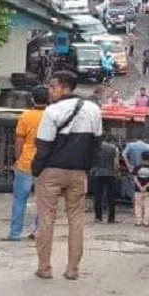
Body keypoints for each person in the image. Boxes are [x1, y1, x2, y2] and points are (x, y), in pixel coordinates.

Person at [32, 71, 103, 280]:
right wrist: (87, 169)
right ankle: (73, 269)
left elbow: (43, 146)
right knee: (76, 220)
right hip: (78, 173)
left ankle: (44, 268)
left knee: (46, 218)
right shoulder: (93, 109)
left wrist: (36, 171)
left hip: (51, 171)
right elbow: (96, 145)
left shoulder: (52, 111)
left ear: (65, 88)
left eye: (53, 86)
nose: (50, 91)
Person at [2, 85, 49, 242]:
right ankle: (37, 232)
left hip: (26, 163)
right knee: (43, 201)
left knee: (20, 199)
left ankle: (15, 234)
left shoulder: (25, 116)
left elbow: (19, 141)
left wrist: (17, 159)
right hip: (46, 164)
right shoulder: (52, 117)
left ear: (32, 99)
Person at [91, 141, 120, 224]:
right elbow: (116, 163)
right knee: (111, 196)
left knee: (98, 196)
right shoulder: (114, 148)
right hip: (110, 174)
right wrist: (116, 172)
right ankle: (111, 218)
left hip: (98, 173)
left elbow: (92, 161)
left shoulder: (95, 148)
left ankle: (98, 217)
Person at [133, 150, 149, 227]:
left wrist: (140, 186)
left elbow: (135, 178)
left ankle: (138, 221)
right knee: (147, 206)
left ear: (141, 158)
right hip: (148, 190)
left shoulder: (137, 167)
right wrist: (146, 186)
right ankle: (146, 222)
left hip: (138, 190)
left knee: (138, 205)